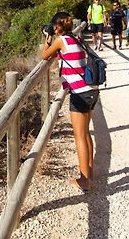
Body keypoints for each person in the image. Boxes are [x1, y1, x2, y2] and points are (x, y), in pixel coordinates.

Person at [42, 12, 99, 193]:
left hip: (80, 93)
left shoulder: (62, 41)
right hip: (91, 90)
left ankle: (84, 181)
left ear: (57, 27)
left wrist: (48, 38)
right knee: (86, 133)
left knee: (79, 136)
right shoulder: (76, 38)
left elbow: (45, 56)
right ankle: (89, 172)